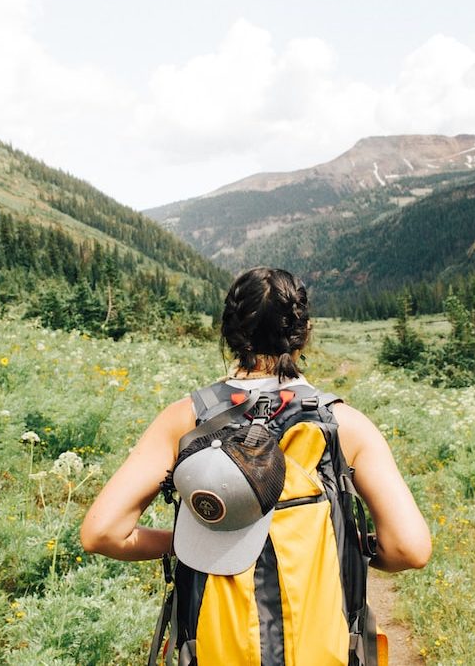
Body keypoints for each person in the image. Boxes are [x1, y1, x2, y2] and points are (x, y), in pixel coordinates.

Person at [81, 266, 431, 663]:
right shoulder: (344, 425)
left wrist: (188, 543)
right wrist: (349, 545)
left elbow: (102, 533)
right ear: (305, 332)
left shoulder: (186, 420)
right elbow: (410, 549)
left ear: (229, 332)